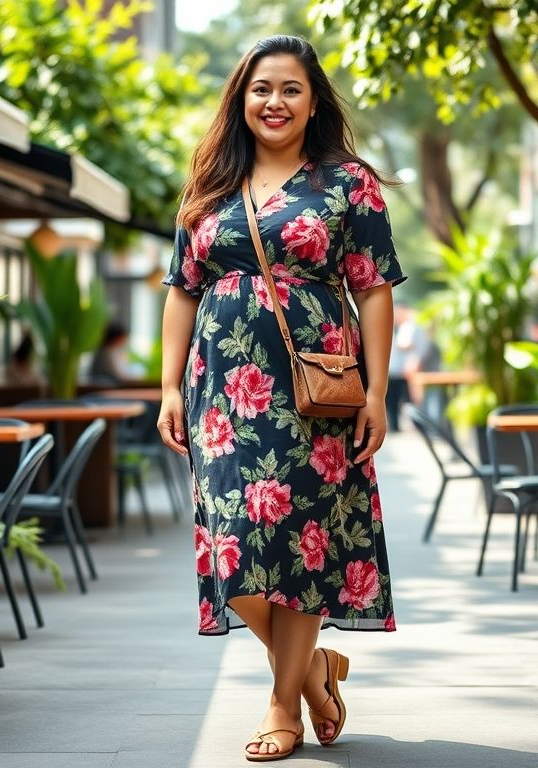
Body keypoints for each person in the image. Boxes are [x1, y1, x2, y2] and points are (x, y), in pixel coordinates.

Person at [158, 35, 405, 762]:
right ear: (241, 97)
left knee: (303, 541)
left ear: (314, 101)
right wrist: (168, 386)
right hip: (220, 396)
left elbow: (374, 288)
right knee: (231, 546)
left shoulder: (347, 183)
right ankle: (313, 670)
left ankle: (282, 703)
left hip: (314, 391)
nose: (275, 102)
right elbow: (181, 290)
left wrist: (378, 392)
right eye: (261, 88)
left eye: (291, 89)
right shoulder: (211, 181)